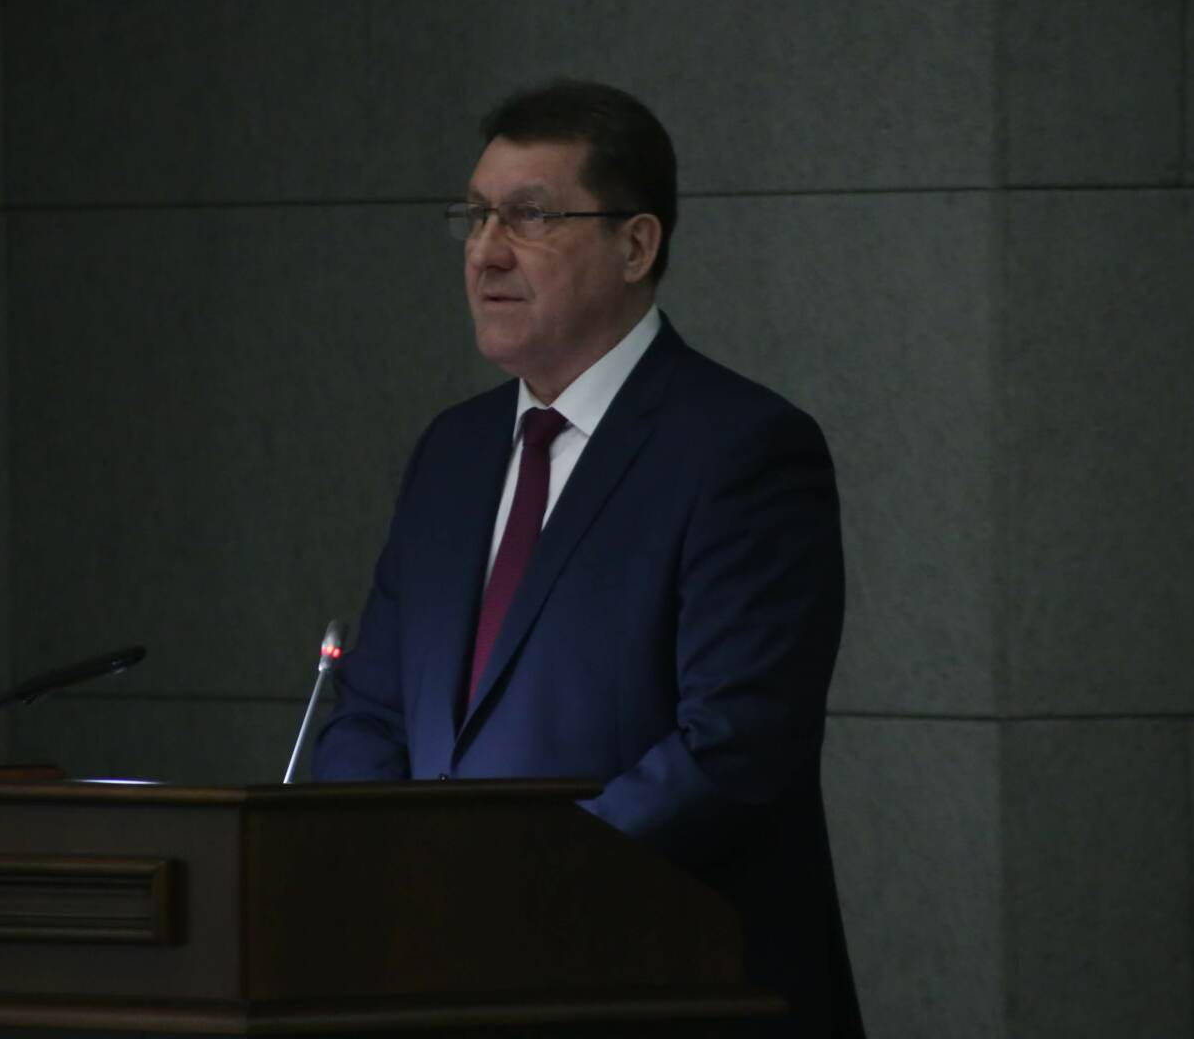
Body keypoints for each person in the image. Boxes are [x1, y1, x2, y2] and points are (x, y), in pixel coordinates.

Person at [312, 79, 862, 1036]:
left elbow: (734, 748)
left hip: (668, 987)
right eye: (475, 216)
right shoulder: (452, 452)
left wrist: (503, 895)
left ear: (636, 246)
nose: (485, 251)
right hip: (445, 993)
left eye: (530, 216)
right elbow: (373, 713)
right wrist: (388, 874)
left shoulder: (741, 450)